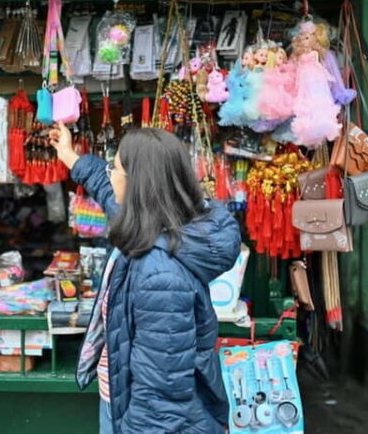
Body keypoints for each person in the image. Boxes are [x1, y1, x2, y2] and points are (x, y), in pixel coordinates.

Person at [49, 123, 241, 433]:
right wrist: (70, 155)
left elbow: (161, 391)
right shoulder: (150, 227)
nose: (111, 174)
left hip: (139, 417)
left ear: (138, 183)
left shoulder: (159, 273)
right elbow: (106, 189)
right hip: (123, 397)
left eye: (117, 168)